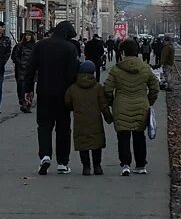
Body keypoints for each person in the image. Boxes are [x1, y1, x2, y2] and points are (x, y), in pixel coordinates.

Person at [24, 20, 80, 175]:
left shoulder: (41, 45)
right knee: (63, 128)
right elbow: (73, 73)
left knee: (44, 126)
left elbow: (30, 69)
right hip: (64, 95)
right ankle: (62, 162)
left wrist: (28, 90)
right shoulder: (70, 48)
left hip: (44, 92)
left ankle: (45, 155)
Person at [104, 39, 159, 176]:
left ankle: (126, 164)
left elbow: (107, 89)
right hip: (141, 104)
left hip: (121, 105)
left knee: (123, 136)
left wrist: (112, 102)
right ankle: (140, 165)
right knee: (139, 135)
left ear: (122, 52)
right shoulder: (145, 68)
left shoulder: (116, 69)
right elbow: (155, 87)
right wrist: (149, 101)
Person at [64, 60, 112, 175]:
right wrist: (109, 117)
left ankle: (86, 167)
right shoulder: (97, 88)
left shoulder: (73, 88)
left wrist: (74, 108)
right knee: (96, 144)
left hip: (80, 121)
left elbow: (67, 102)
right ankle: (97, 166)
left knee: (83, 144)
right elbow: (103, 105)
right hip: (95, 120)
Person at [11, 31, 37, 113]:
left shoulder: (35, 46)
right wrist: (20, 63)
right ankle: (23, 102)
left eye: (29, 35)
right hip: (21, 69)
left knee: (30, 87)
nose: (27, 37)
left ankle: (28, 104)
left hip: (31, 70)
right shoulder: (20, 46)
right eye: (26, 35)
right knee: (22, 86)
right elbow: (14, 57)